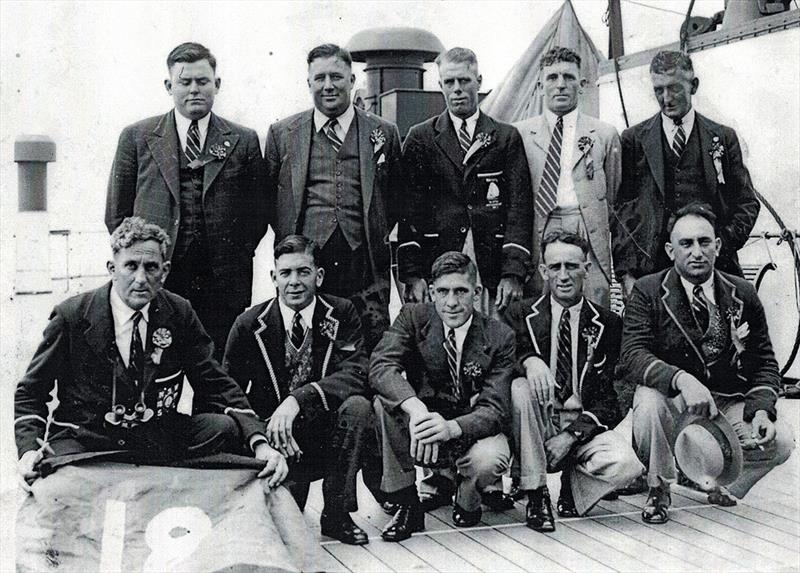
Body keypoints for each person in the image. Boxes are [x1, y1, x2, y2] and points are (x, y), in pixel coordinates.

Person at [15, 218, 285, 489]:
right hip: (87, 439)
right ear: (112, 269)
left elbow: (215, 382)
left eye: (151, 267)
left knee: (225, 427)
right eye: (131, 266)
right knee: (58, 480)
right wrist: (28, 452)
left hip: (154, 436)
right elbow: (30, 392)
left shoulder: (179, 312)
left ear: (165, 271)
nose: (141, 279)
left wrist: (260, 443)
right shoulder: (71, 315)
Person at [620, 203, 794, 523]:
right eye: (686, 244)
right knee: (646, 401)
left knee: (780, 440)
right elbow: (632, 355)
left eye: (704, 242)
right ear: (671, 251)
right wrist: (680, 379)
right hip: (674, 401)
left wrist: (761, 409)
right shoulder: (647, 291)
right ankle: (658, 488)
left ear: (718, 245)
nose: (696, 252)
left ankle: (714, 479)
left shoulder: (742, 292)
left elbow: (764, 361)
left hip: (724, 402)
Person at [105, 42, 268, 358]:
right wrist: (146, 257)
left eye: (203, 81)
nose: (195, 89)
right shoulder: (137, 138)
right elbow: (117, 214)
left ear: (216, 85)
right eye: (185, 82)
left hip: (222, 281)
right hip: (160, 274)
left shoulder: (243, 140)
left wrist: (231, 253)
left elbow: (258, 214)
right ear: (169, 86)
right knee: (156, 358)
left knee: (218, 363)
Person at [223, 235, 376, 545]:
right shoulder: (249, 323)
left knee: (359, 406)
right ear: (273, 278)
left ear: (318, 276)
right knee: (285, 522)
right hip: (276, 442)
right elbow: (228, 390)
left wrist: (297, 400)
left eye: (303, 272)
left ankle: (336, 512)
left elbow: (356, 372)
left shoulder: (342, 312)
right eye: (286, 273)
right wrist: (259, 436)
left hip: (326, 433)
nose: (294, 282)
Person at [265, 44, 403, 351]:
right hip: (308, 263)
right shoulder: (282, 133)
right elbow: (271, 204)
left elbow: (394, 200)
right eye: (320, 77)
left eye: (337, 77)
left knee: (368, 346)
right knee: (308, 347)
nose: (329, 85)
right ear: (309, 83)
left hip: (363, 262)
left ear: (352, 81)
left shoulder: (383, 132)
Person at [370, 252, 515, 541]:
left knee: (489, 458)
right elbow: (380, 366)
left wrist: (451, 427)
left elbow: (495, 408)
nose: (451, 302)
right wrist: (416, 409)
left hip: (468, 430)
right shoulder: (413, 317)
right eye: (443, 292)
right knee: (381, 404)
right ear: (432, 292)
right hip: (424, 430)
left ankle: (467, 492)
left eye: (461, 291)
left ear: (476, 293)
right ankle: (407, 503)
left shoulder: (500, 335)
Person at [503, 230, 642, 532]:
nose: (563, 275)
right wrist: (530, 361)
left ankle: (573, 488)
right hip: (535, 424)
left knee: (627, 465)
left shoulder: (609, 323)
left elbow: (615, 397)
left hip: (580, 427)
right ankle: (536, 493)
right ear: (543, 271)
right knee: (519, 386)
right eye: (555, 267)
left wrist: (571, 435)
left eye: (571, 266)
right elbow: (502, 360)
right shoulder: (519, 314)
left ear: (587, 269)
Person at [612, 50, 759, 299]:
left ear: (693, 85)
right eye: (659, 90)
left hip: (715, 270)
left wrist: (719, 246)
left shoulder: (722, 137)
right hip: (654, 273)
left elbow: (747, 203)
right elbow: (622, 210)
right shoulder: (633, 139)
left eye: (674, 88)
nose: (666, 98)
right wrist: (627, 273)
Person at [398, 47, 532, 319]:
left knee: (494, 339)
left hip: (491, 265)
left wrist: (513, 272)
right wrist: (413, 275)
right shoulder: (420, 138)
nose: (457, 89)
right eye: (449, 82)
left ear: (479, 82)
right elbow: (408, 212)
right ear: (440, 86)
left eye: (464, 81)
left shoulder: (505, 137)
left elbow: (519, 208)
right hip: (439, 262)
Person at [514, 47, 621, 308]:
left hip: (587, 227)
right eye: (552, 78)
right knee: (540, 309)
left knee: (594, 304)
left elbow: (616, 197)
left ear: (582, 84)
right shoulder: (519, 134)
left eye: (568, 77)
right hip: (540, 227)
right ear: (540, 86)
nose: (560, 85)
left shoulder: (604, 134)